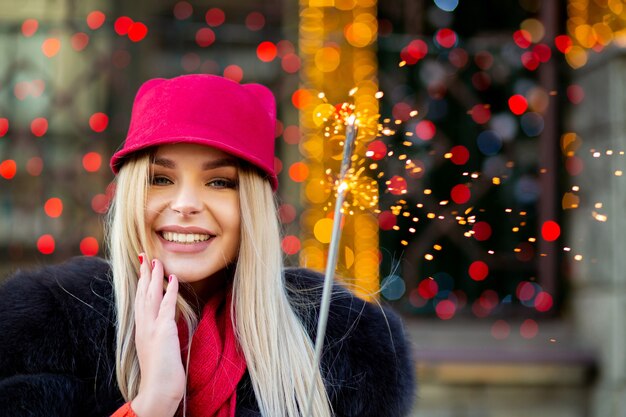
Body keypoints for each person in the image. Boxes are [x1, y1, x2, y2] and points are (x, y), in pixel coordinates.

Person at [0, 74, 415, 417]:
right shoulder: (47, 325)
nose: (185, 205)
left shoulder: (345, 344)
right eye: (160, 179)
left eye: (220, 182)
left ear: (251, 204)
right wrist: (152, 403)